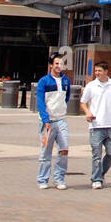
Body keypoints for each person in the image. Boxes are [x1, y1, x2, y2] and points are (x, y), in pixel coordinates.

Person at [80, 61, 111, 189]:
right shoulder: (91, 86)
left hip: (110, 125)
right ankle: (96, 179)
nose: (97, 73)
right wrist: (87, 112)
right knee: (96, 154)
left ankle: (100, 174)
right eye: (96, 71)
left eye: (99, 71)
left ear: (106, 72)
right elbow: (83, 102)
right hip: (96, 125)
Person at [36, 54, 71, 189]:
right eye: (56, 64)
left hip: (61, 119)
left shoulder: (66, 81)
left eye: (61, 64)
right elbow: (40, 102)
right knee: (46, 151)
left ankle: (59, 178)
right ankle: (42, 179)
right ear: (51, 65)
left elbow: (66, 98)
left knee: (64, 149)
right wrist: (45, 119)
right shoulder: (44, 81)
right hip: (47, 121)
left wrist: (62, 108)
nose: (59, 66)